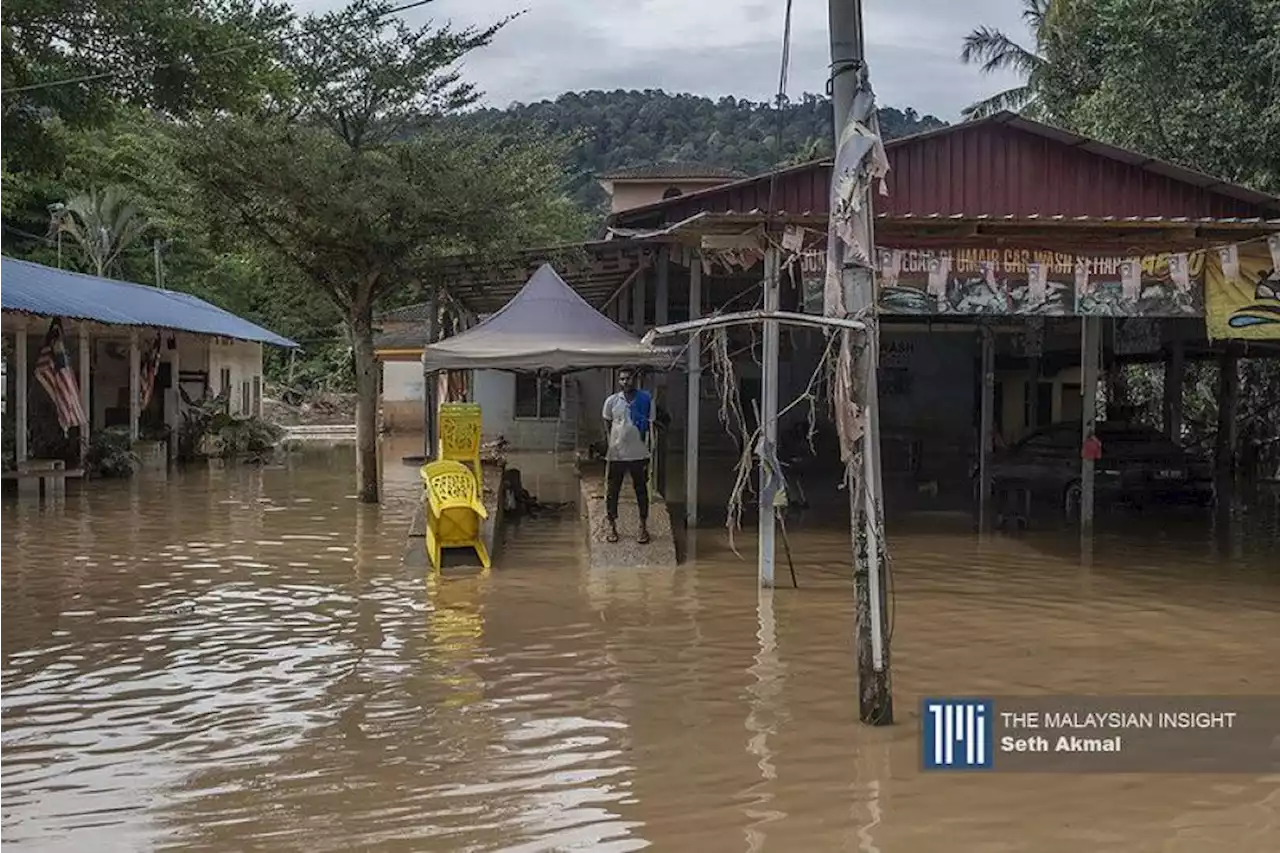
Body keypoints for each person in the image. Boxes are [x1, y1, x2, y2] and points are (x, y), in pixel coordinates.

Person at [601, 367, 652, 544]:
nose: (625, 382)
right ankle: (612, 526)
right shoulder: (612, 401)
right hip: (617, 455)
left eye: (628, 379)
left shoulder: (645, 399)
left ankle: (643, 527)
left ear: (635, 379)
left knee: (641, 491)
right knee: (612, 490)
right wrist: (613, 442)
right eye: (622, 379)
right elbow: (607, 421)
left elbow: (651, 423)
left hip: (638, 454)